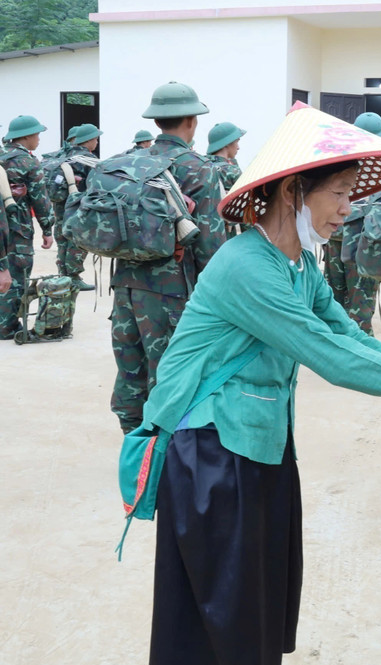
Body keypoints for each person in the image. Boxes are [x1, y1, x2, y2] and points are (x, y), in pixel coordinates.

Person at [140, 102, 381, 665]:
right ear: (294, 191)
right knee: (220, 614)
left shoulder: (299, 266)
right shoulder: (247, 266)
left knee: (257, 600)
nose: (349, 208)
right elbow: (330, 357)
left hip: (255, 446)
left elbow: (352, 336)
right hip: (212, 457)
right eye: (338, 193)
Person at [110, 82, 226, 433]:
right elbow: (210, 245)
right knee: (170, 374)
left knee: (130, 370)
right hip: (172, 292)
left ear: (157, 121)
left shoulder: (129, 162)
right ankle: (159, 458)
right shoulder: (197, 168)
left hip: (125, 286)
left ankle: (132, 445)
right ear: (192, 121)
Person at [321, 111, 381, 334]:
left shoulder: (336, 161)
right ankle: (362, 356)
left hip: (334, 236)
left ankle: (338, 353)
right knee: (361, 308)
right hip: (364, 244)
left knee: (334, 302)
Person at [0, 115, 55, 339]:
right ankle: (7, 325)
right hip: (16, 229)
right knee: (17, 275)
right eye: (37, 135)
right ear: (26, 137)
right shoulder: (28, 162)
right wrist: (47, 229)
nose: (39, 139)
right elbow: (40, 200)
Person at [53, 123, 101, 291]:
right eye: (96, 139)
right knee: (77, 240)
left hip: (60, 205)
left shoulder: (62, 155)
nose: (96, 142)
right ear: (89, 140)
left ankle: (63, 274)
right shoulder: (88, 159)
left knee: (62, 238)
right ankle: (73, 277)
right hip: (78, 206)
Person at [206, 121, 245, 192]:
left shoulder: (203, 168)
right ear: (227, 142)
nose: (238, 147)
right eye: (236, 142)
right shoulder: (232, 171)